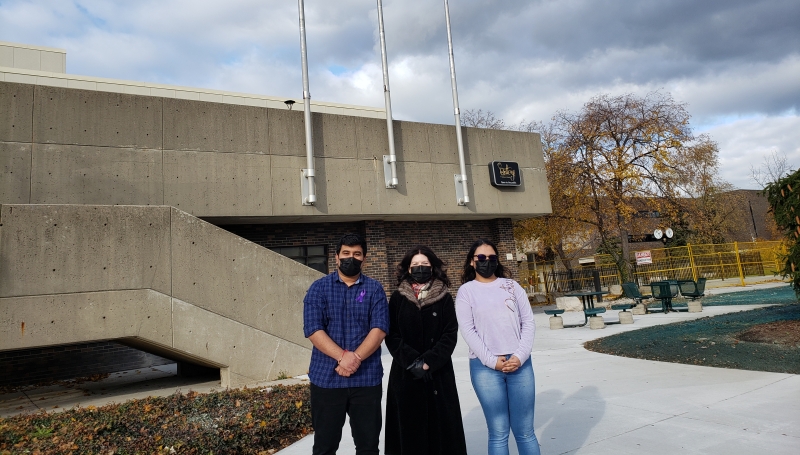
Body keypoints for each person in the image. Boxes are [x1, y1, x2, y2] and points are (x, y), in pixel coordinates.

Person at [303, 233, 389, 455]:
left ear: (365, 259)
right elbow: (313, 329)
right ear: (337, 257)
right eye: (346, 253)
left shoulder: (375, 289)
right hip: (326, 380)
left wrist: (356, 358)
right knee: (324, 446)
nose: (351, 258)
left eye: (357, 254)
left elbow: (379, 329)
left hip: (366, 380)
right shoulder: (318, 288)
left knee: (368, 446)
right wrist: (343, 357)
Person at [455, 239, 540, 455]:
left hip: (519, 364)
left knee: (525, 431)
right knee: (499, 432)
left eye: (491, 258)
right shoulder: (466, 292)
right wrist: (492, 361)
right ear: (472, 262)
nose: (486, 262)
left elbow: (528, 322)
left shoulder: (512, 286)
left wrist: (520, 356)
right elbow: (468, 330)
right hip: (485, 368)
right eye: (481, 258)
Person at [385, 246, 468, 455]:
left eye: (424, 265)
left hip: (438, 373)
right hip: (405, 374)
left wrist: (429, 360)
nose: (420, 269)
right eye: (415, 266)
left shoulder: (445, 297)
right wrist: (413, 361)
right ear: (407, 268)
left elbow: (450, 334)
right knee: (409, 433)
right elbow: (391, 334)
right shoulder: (397, 298)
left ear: (433, 267)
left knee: (442, 432)